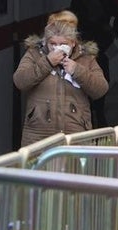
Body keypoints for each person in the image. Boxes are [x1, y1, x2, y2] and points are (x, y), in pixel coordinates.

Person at [13, 11, 109, 146]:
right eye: (53, 44)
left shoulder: (85, 58)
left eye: (63, 44)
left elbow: (101, 89)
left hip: (75, 135)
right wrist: (47, 62)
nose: (57, 48)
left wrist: (77, 70)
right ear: (46, 42)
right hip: (38, 135)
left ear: (73, 43)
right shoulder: (34, 54)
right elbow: (20, 81)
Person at [70, 0, 118, 128]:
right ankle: (100, 114)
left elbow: (73, 22)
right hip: (102, 45)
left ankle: (90, 116)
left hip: (85, 46)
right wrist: (114, 34)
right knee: (101, 77)